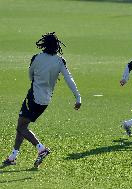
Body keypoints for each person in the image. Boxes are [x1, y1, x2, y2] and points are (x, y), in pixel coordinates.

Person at [2, 32, 81, 167]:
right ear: (57, 46)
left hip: (33, 97)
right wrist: (78, 97)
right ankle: (13, 156)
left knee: (21, 126)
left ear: (43, 44)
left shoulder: (37, 58)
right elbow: (69, 80)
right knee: (23, 125)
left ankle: (41, 149)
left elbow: (30, 75)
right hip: (45, 100)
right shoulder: (60, 61)